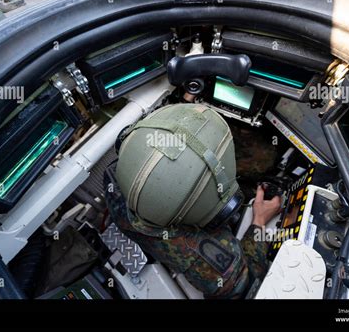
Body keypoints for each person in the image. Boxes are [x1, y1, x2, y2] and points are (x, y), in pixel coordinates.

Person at [104, 103, 281, 298]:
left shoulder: (116, 175)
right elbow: (247, 286)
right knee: (265, 158)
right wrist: (259, 221)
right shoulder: (201, 255)